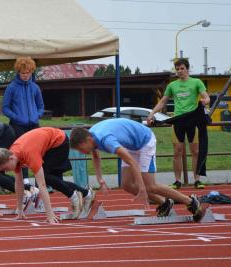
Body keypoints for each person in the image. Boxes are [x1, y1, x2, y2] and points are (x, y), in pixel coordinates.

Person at [69, 118, 205, 222]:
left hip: (144, 141)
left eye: (81, 149)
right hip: (131, 145)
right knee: (126, 184)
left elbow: (132, 162)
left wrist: (141, 188)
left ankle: (191, 201)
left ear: (88, 139)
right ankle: (165, 203)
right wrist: (101, 180)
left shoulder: (106, 140)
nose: (82, 152)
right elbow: (95, 155)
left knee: (150, 186)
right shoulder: (92, 137)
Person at [0, 127, 95, 224]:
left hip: (59, 141)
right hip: (47, 144)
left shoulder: (28, 154)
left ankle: (75, 196)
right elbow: (19, 185)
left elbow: (42, 185)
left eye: (5, 168)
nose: (6, 171)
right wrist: (20, 210)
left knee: (44, 178)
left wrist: (49, 214)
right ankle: (86, 193)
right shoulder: (13, 155)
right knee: (55, 181)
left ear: (10, 159)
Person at [147, 58, 210, 189]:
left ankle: (197, 180)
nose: (180, 71)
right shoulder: (172, 85)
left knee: (195, 151)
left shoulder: (196, 82)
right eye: (177, 69)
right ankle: (177, 181)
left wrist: (205, 100)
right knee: (177, 151)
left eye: (182, 68)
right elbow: (163, 101)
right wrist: (152, 113)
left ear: (187, 69)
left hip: (193, 120)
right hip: (178, 121)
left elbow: (206, 96)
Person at [2, 56, 44, 185]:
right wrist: (17, 118)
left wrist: (37, 116)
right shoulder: (11, 87)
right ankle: (24, 179)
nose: (25, 75)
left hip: (34, 124)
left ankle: (39, 180)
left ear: (31, 71)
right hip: (17, 125)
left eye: (28, 73)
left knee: (38, 151)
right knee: (21, 152)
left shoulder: (35, 88)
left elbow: (41, 106)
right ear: (18, 72)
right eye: (22, 73)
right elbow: (5, 108)